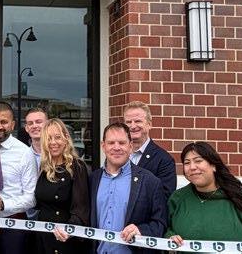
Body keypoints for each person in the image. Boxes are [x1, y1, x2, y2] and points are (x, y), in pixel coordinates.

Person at [61, 122, 166, 254]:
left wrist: (141, 230)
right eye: (111, 143)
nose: (116, 147)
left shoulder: (150, 182)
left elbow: (160, 224)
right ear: (103, 146)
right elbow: (82, 215)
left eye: (122, 143)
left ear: (130, 146)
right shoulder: (92, 180)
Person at [166, 141, 242, 246]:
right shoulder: (177, 199)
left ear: (213, 165)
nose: (192, 167)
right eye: (187, 163)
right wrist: (169, 237)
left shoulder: (238, 196)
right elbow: (165, 229)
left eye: (198, 161)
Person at [0, 101, 38, 254]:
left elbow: (31, 198)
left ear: (12, 125)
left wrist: (4, 204)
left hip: (14, 223)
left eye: (4, 122)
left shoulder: (25, 153)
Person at [36, 118, 90, 254]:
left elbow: (81, 207)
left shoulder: (77, 166)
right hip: (43, 238)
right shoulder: (43, 168)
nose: (53, 142)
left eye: (58, 137)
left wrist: (69, 230)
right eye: (49, 139)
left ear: (66, 139)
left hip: (66, 239)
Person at [123, 101, 177, 201]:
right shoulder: (118, 154)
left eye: (138, 121)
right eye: (128, 122)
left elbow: (164, 199)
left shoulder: (164, 160)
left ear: (149, 124)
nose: (133, 126)